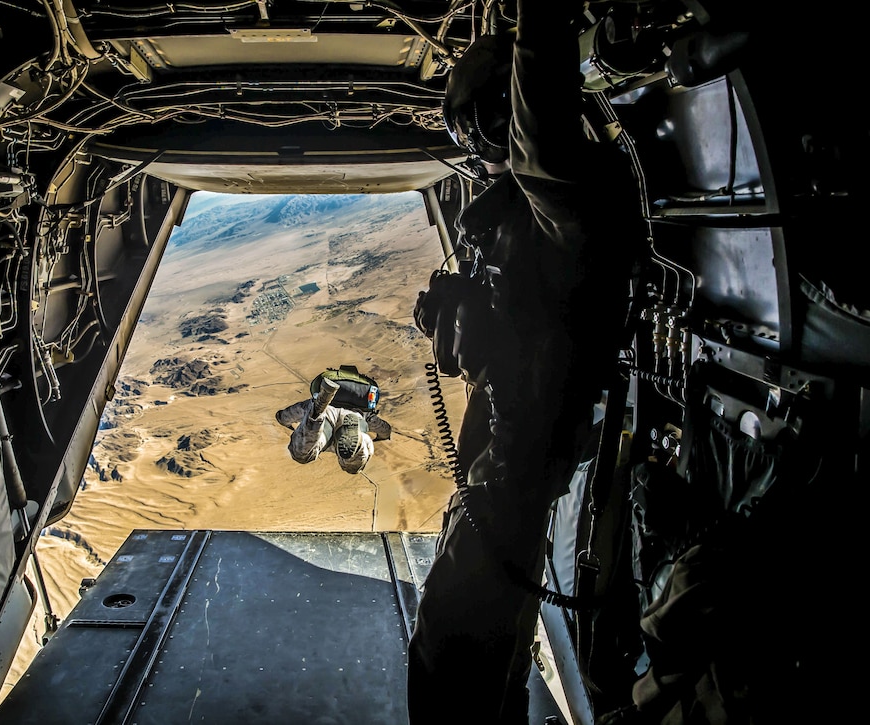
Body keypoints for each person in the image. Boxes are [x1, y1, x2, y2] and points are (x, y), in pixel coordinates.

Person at [407, 1, 646, 722]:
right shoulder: (539, 221)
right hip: (511, 442)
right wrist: (467, 328)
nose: (473, 154)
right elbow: (528, 333)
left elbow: (539, 125)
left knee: (452, 650)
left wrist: (537, 21)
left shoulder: (560, 200)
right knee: (471, 642)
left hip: (520, 455)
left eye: (473, 132)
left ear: (497, 120)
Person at [275, 376, 392, 475]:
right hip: (354, 416)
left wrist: (282, 420)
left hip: (326, 417)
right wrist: (382, 437)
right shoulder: (368, 414)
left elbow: (286, 416)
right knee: (352, 467)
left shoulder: (306, 405)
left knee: (302, 455)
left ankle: (316, 413)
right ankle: (358, 443)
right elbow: (384, 429)